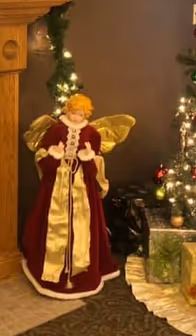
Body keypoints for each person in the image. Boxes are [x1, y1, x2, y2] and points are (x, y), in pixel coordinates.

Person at [22, 94, 133, 299]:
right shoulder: (56, 130)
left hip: (82, 188)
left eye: (80, 114)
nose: (75, 117)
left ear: (86, 114)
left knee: (83, 226)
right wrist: (55, 154)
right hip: (57, 186)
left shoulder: (92, 133)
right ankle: (54, 272)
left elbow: (93, 170)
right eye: (73, 113)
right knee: (54, 224)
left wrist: (89, 158)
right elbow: (45, 163)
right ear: (67, 111)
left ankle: (80, 272)